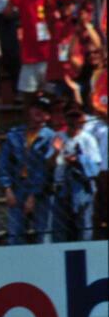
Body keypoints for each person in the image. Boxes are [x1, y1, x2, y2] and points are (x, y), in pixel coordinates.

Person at [0, 95, 58, 245]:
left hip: (42, 191)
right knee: (15, 233)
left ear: (48, 116)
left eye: (44, 111)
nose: (39, 113)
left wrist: (33, 195)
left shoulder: (51, 137)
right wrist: (7, 188)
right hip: (18, 186)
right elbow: (4, 163)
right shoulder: (14, 135)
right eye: (37, 108)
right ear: (30, 110)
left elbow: (44, 170)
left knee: (43, 233)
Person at [51, 103, 101, 241]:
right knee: (61, 227)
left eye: (77, 118)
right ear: (65, 119)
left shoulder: (88, 139)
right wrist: (56, 151)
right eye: (70, 118)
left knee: (84, 226)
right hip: (62, 187)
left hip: (82, 187)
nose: (74, 122)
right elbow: (48, 164)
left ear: (82, 120)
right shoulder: (58, 136)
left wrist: (78, 160)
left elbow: (95, 167)